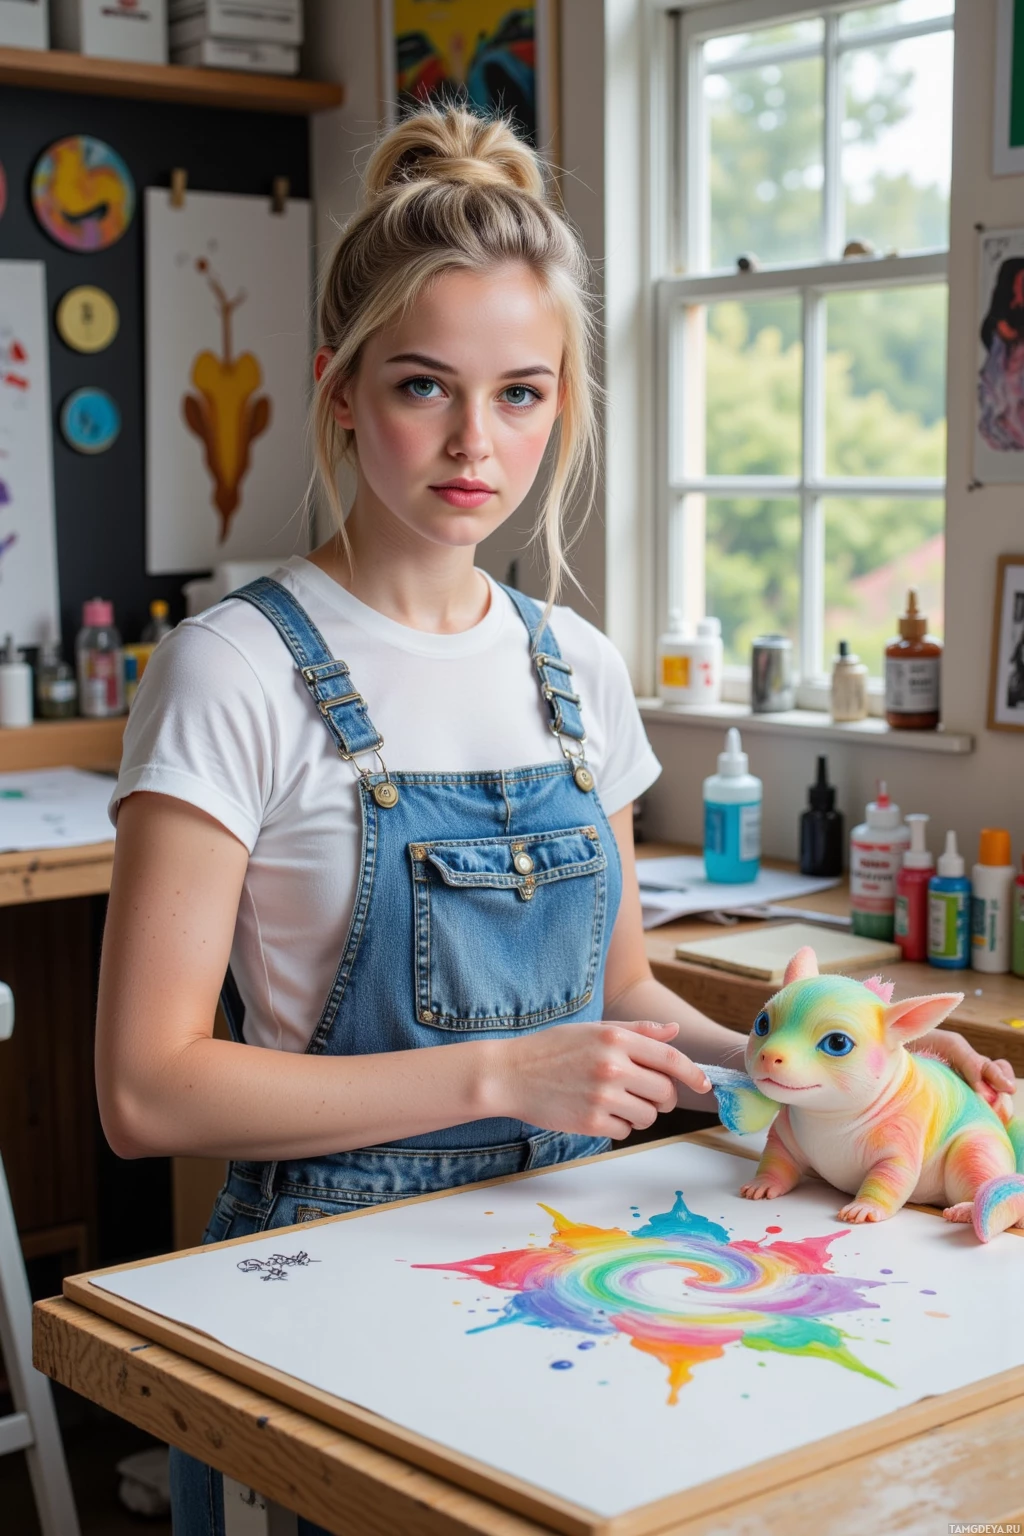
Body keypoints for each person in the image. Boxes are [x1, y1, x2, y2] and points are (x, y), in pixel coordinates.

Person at [95, 104, 1017, 1535]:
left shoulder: (572, 665)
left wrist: (850, 1076)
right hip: (323, 1285)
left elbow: (623, 994)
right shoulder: (234, 668)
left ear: (567, 401)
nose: (478, 441)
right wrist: (497, 1079)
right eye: (424, 387)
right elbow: (147, 1093)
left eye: (522, 392)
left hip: (581, 1259)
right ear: (339, 390)